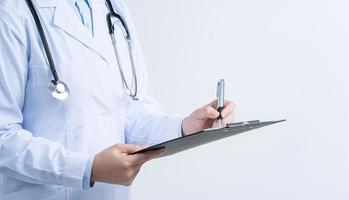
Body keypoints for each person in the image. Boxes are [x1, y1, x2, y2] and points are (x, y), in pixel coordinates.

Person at [0, 0, 236, 199]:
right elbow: (3, 137)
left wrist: (186, 126)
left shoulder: (112, 7)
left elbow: (131, 112)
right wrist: (87, 169)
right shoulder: (11, 10)